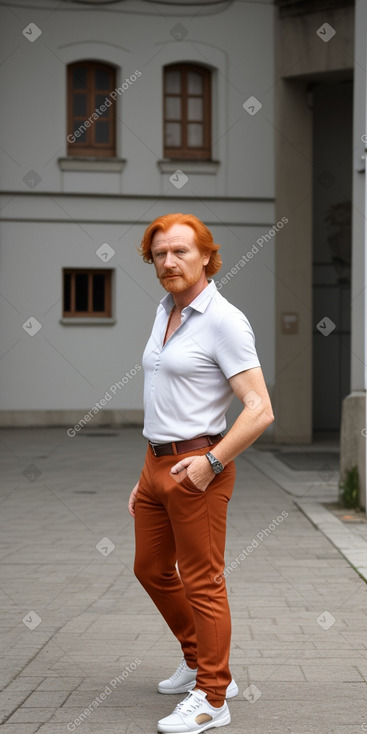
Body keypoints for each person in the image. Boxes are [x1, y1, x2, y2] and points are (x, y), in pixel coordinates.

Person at [128, 213, 274, 733]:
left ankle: (213, 696)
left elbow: (259, 408)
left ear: (207, 257)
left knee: (203, 582)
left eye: (181, 252)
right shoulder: (165, 310)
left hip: (199, 467)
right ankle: (197, 658)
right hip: (155, 464)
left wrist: (212, 463)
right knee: (150, 568)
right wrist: (147, 471)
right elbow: (165, 393)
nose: (169, 261)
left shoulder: (224, 320)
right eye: (160, 253)